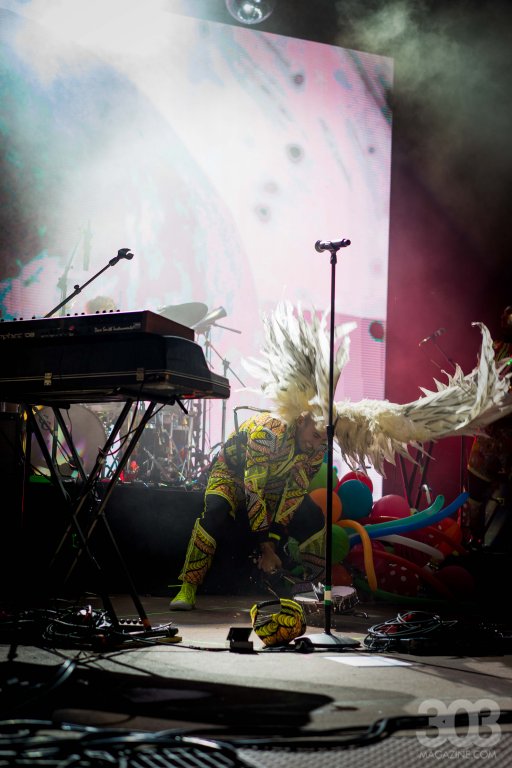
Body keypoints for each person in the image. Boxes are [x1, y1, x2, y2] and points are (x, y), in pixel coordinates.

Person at [170, 410, 328, 610]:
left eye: (321, 440)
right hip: (230, 475)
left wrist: (275, 539)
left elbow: (295, 492)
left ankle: (315, 591)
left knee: (312, 517)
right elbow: (253, 490)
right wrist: (265, 546)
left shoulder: (318, 448)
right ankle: (188, 587)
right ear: (300, 421)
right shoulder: (268, 433)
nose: (315, 446)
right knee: (215, 512)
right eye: (314, 435)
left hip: (273, 484)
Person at [463, 305, 512, 545]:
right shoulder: (495, 348)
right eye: (507, 315)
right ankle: (474, 539)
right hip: (488, 434)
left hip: (509, 435)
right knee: (475, 488)